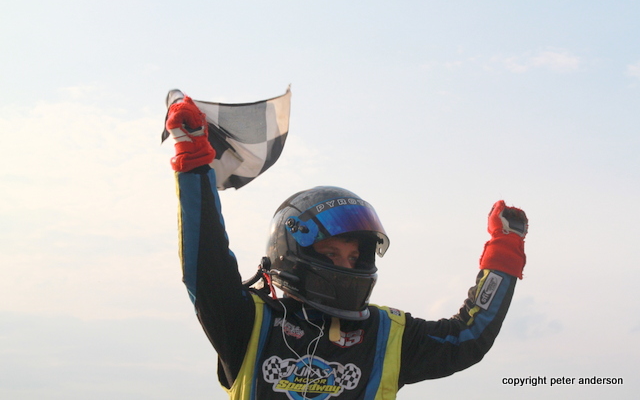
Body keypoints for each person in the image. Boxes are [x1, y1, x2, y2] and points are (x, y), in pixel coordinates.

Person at [166, 95, 528, 400]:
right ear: (294, 256)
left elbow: (468, 337)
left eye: (354, 257)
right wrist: (193, 163)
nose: (347, 266)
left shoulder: (386, 334)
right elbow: (207, 263)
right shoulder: (248, 322)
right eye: (332, 254)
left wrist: (504, 250)